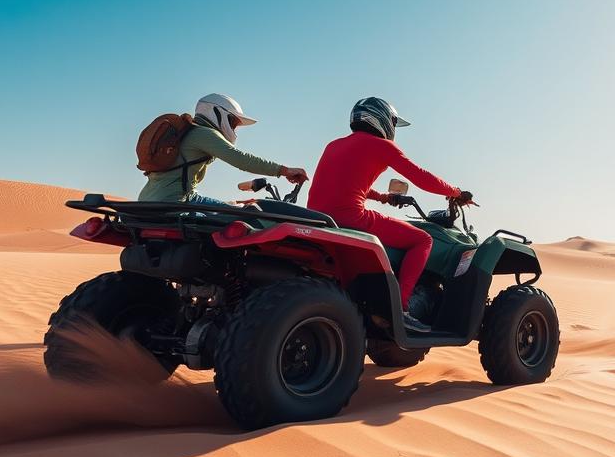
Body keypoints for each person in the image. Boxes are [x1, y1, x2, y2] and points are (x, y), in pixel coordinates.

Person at [307, 97, 472, 333]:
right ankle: (402, 308)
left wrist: (383, 198)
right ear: (383, 120)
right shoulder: (382, 146)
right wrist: (455, 192)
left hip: (320, 218)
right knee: (422, 240)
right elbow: (420, 176)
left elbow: (345, 184)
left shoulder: (333, 145)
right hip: (352, 217)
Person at [139, 93, 307, 206]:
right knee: (237, 220)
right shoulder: (204, 133)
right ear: (218, 113)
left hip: (147, 200)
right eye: (234, 122)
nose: (234, 128)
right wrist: (284, 170)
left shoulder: (189, 132)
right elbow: (241, 159)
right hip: (177, 202)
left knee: (234, 207)